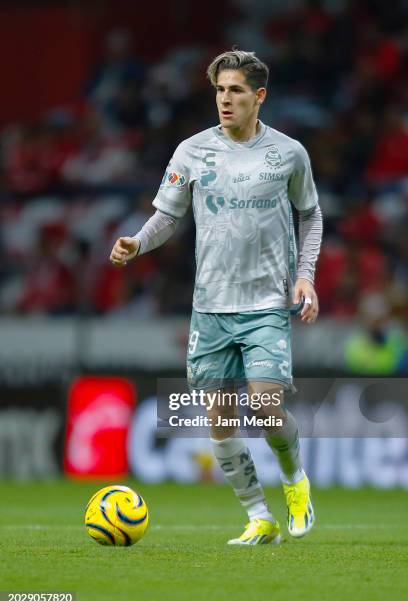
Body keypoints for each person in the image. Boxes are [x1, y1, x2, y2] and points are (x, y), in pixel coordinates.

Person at [110, 50, 323, 545]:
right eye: (220, 91)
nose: (225, 100)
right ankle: (258, 516)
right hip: (210, 306)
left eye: (236, 91)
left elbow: (310, 215)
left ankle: (295, 483)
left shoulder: (289, 153)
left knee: (266, 406)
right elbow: (167, 215)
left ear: (259, 96)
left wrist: (305, 275)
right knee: (220, 419)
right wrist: (138, 241)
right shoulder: (192, 151)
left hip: (267, 303)